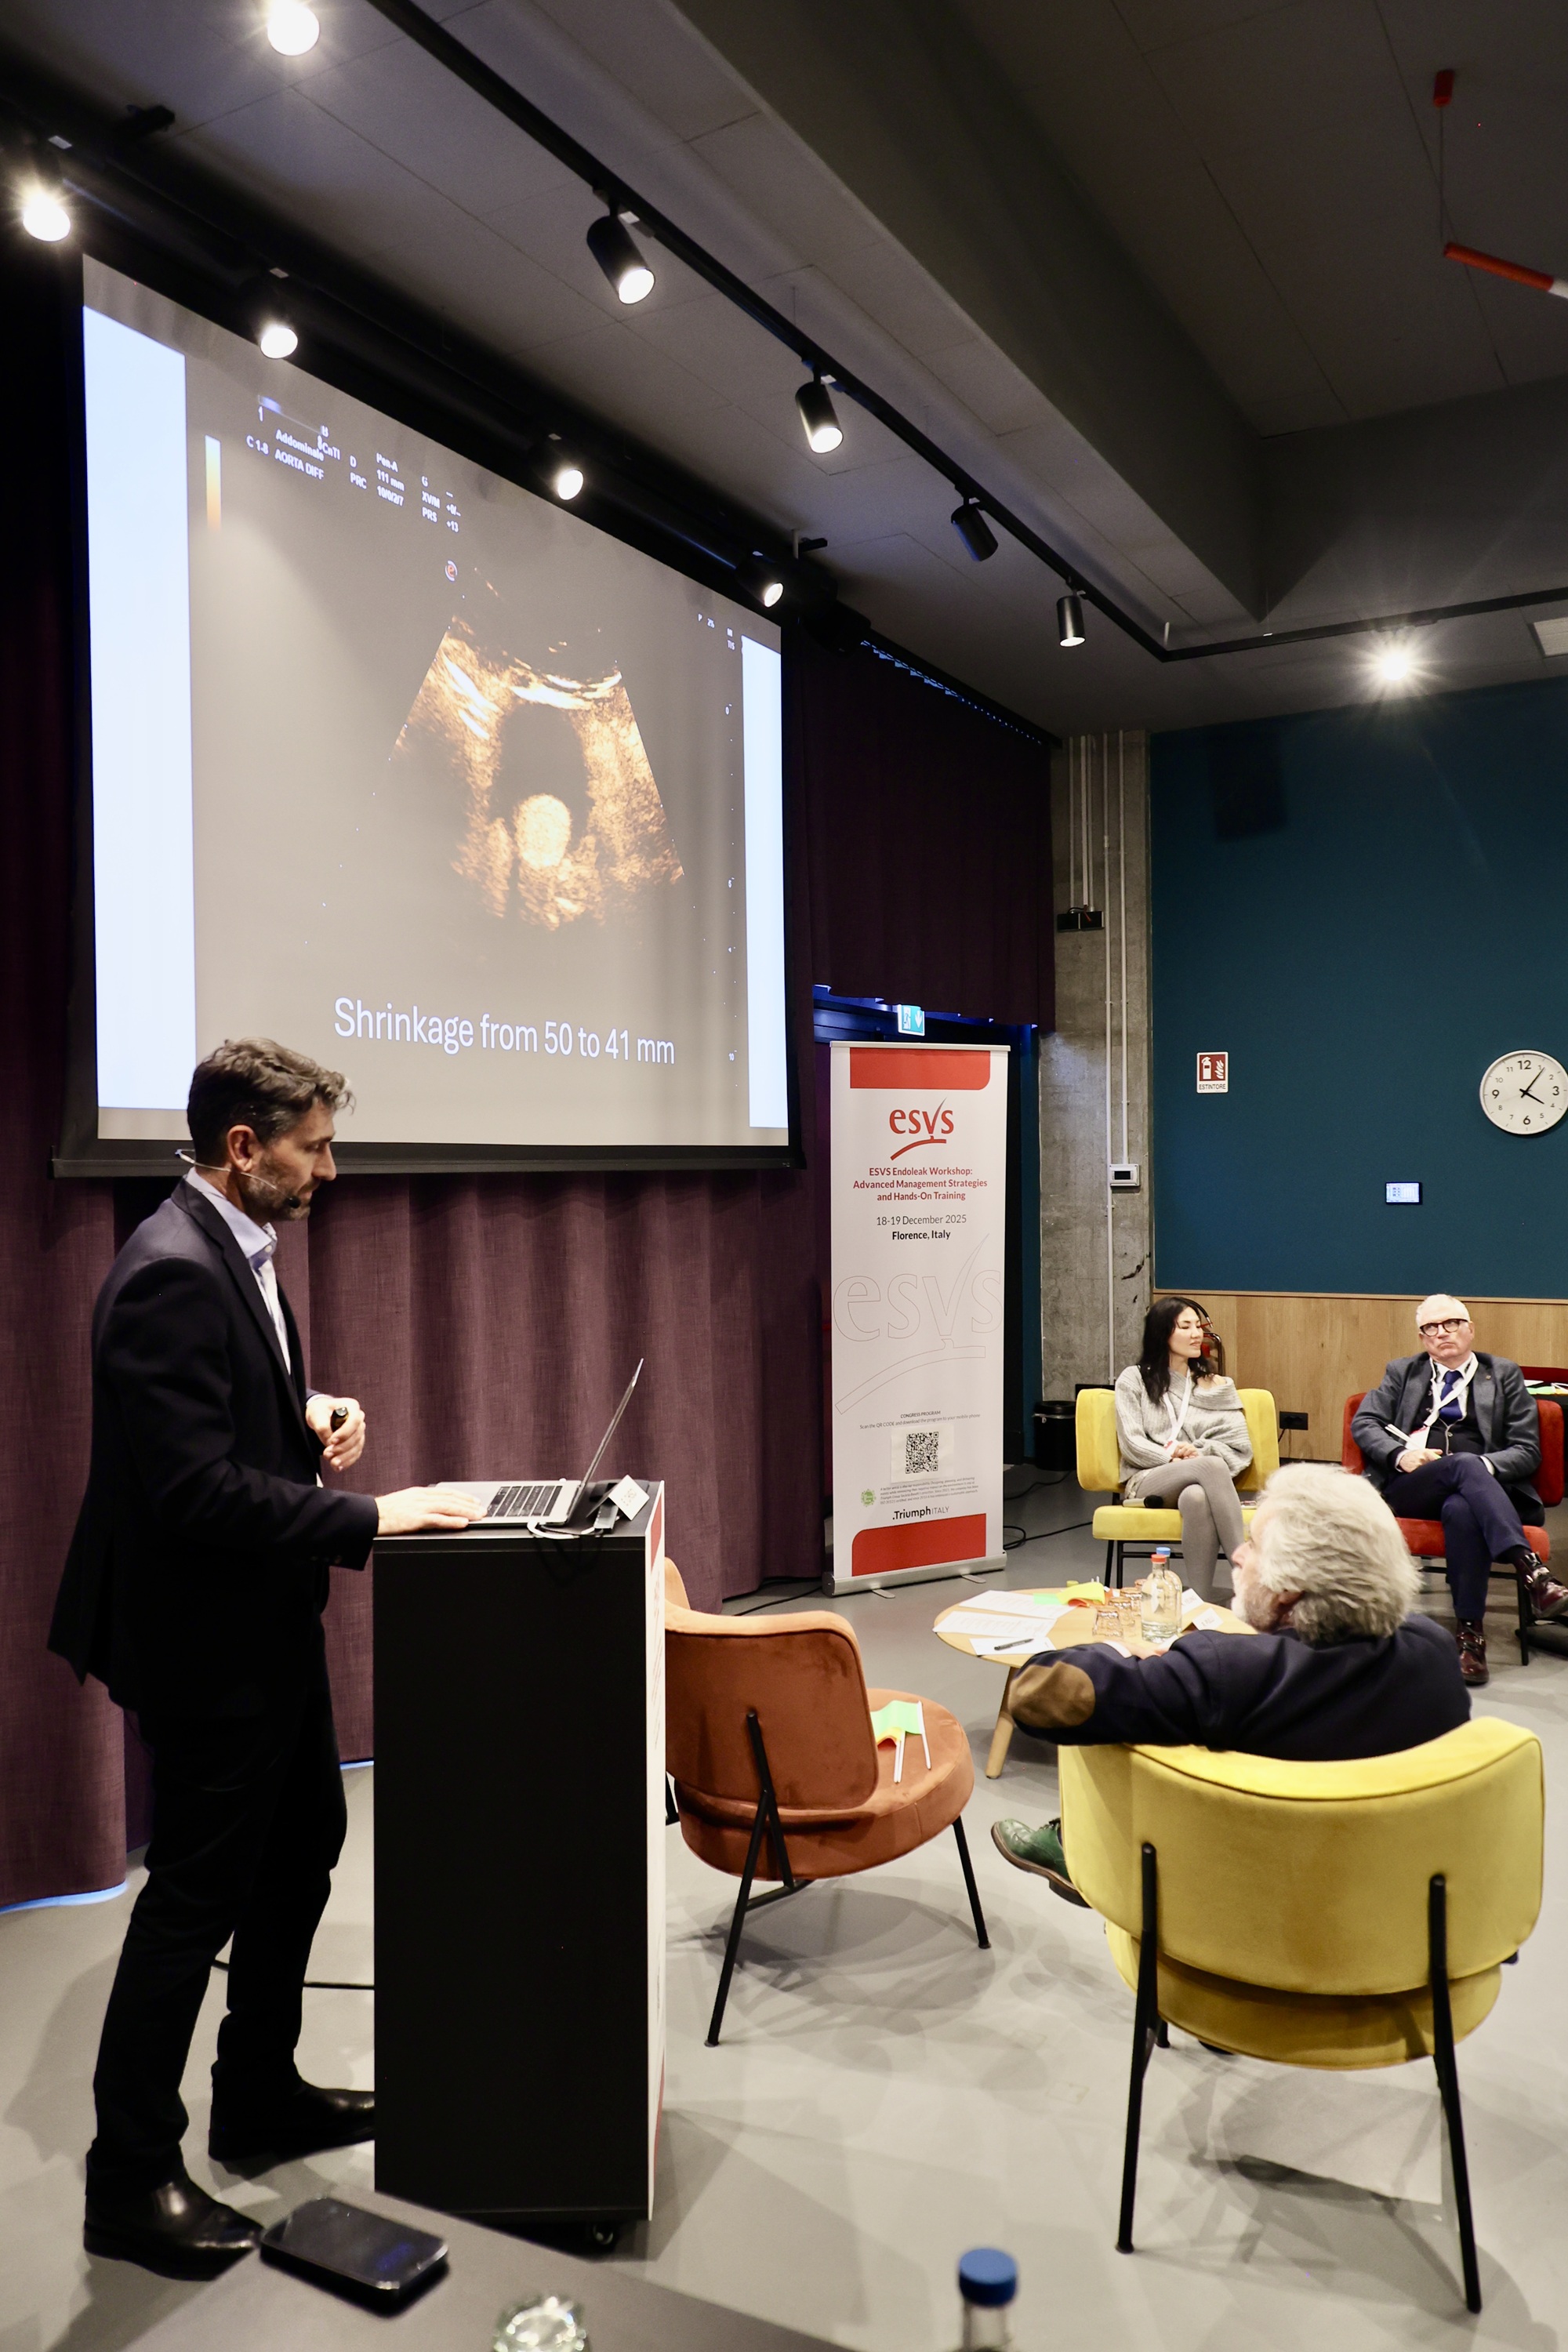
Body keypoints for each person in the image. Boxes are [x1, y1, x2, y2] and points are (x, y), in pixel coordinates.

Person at [49, 1040, 481, 2276]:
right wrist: (373, 1517)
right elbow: (189, 1492)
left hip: (262, 1623)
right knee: (193, 1898)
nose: (330, 1171)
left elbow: (214, 1418)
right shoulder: (168, 1269)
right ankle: (127, 2178)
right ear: (244, 1147)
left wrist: (304, 1411)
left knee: (301, 1853)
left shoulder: (228, 1249)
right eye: (314, 1148)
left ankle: (259, 2092)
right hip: (204, 1640)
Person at [992, 1463, 1468, 1903]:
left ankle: (1079, 1847)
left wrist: (1129, 1655)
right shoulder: (1434, 1653)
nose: (1237, 1554)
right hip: (1390, 1914)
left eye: (1255, 1544)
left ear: (1289, 1587)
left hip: (1235, 1919)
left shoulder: (1225, 1672)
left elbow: (1036, 1693)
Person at [1351, 1294, 1568, 1688]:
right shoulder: (1403, 1371)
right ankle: (1532, 1572)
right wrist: (1401, 1456)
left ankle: (1470, 1637)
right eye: (1430, 1328)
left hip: (1480, 1493)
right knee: (1463, 1471)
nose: (1441, 1333)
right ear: (1422, 1338)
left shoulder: (1502, 1374)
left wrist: (1482, 1466)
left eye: (1451, 1323)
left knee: (1462, 1506)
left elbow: (1527, 1451)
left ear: (1471, 1329)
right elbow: (1365, 1422)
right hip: (1413, 1486)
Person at [1112, 1298, 1250, 1601]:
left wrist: (1197, 1451)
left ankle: (1199, 1598)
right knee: (1211, 1466)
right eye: (1185, 1326)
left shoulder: (1212, 1384)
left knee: (1197, 1496)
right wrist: (1173, 1456)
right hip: (1147, 1478)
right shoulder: (1133, 1379)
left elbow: (1235, 1439)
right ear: (1162, 1333)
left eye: (1198, 1326)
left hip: (1193, 1476)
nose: (1196, 1334)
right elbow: (1132, 1443)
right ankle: (1246, 1567)